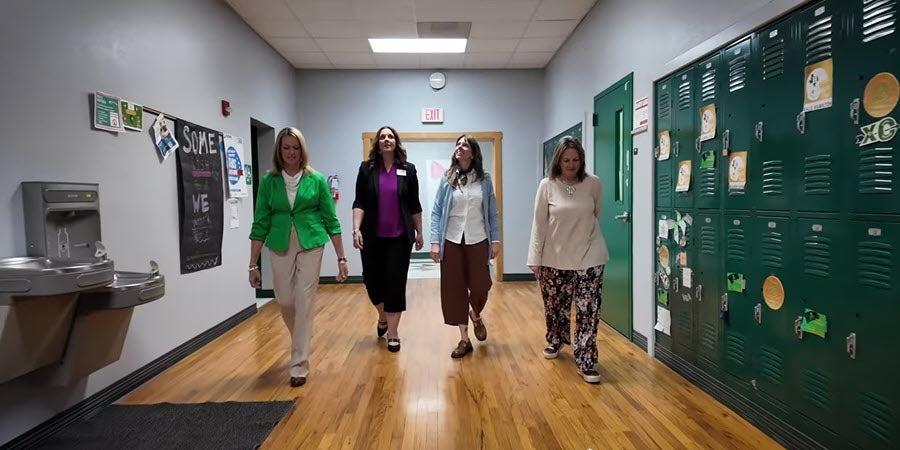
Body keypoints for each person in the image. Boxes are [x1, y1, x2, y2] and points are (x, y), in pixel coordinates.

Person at [248, 127, 349, 387]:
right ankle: (300, 341)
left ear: (302, 150)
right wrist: (252, 264)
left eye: (295, 147)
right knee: (284, 299)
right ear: (279, 152)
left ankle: (299, 365)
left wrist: (341, 258)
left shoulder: (315, 179)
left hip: (311, 242)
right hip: (280, 242)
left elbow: (331, 220)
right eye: (286, 148)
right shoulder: (269, 182)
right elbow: (260, 222)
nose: (291, 152)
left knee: (304, 300)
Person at [527, 136, 608, 384]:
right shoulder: (547, 185)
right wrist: (535, 257)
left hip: (589, 255)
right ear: (558, 161)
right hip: (554, 256)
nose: (571, 164)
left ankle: (585, 360)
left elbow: (595, 214)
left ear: (581, 160)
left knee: (587, 310)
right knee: (555, 306)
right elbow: (539, 224)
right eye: (566, 160)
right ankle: (555, 339)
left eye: (576, 159)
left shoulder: (593, 183)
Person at [352, 126, 424, 352]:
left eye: (390, 136)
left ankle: (393, 333)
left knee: (394, 283)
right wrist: (356, 229)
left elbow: (414, 204)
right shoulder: (366, 170)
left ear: (396, 142)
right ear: (377, 143)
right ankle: (382, 316)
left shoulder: (408, 170)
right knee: (372, 282)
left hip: (399, 238)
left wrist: (419, 231)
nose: (386, 140)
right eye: (382, 137)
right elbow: (359, 202)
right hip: (372, 237)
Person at [429, 134, 500, 358]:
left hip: (478, 238)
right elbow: (436, 212)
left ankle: (475, 313)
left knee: (482, 284)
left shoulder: (485, 179)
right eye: (458, 144)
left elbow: (491, 212)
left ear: (473, 152)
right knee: (454, 289)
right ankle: (464, 339)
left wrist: (495, 240)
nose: (460, 147)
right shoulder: (446, 179)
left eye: (465, 144)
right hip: (451, 240)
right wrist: (434, 242)